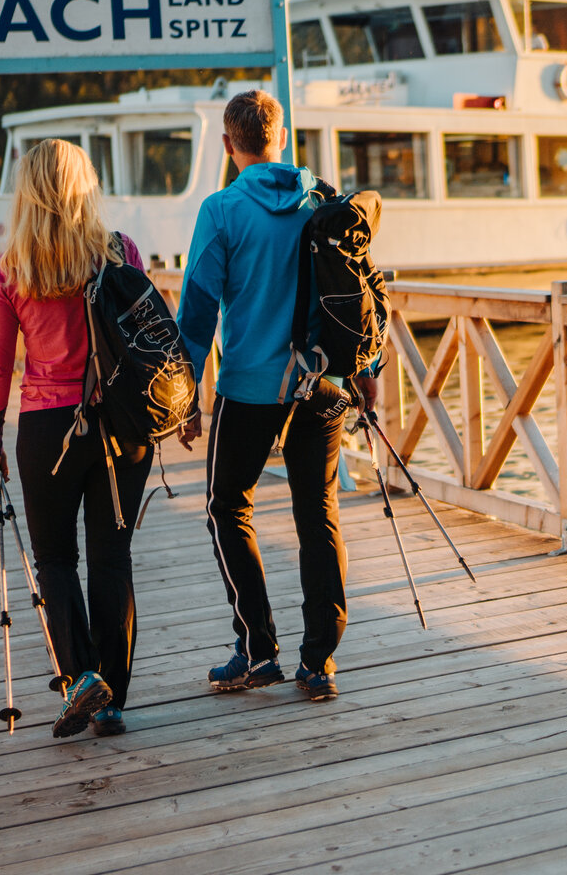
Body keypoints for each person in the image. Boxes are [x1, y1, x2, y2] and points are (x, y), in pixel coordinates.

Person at [177, 90, 376, 703]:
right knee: (317, 513)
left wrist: (186, 395)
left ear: (227, 144)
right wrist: (366, 367)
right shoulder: (322, 197)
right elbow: (359, 290)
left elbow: (196, 314)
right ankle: (319, 663)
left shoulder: (222, 210)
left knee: (227, 505)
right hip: (322, 384)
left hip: (249, 387)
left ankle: (259, 649)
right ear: (281, 136)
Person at [0, 138, 149, 739]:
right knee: (112, 557)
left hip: (48, 428)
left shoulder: (11, 268)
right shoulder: (119, 251)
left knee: (54, 558)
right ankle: (113, 701)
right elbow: (147, 336)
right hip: (120, 427)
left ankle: (78, 678)